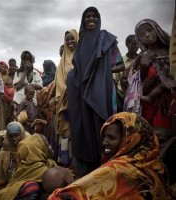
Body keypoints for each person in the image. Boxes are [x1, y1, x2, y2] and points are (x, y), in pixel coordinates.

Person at [49, 112, 171, 199]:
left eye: (111, 138)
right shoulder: (156, 164)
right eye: (104, 137)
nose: (104, 142)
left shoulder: (119, 169)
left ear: (130, 140)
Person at [67, 7, 125, 177]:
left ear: (99, 19)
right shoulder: (82, 41)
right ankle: (88, 171)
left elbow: (121, 64)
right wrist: (72, 77)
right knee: (83, 126)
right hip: (81, 91)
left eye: (94, 16)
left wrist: (104, 73)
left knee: (102, 124)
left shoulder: (106, 39)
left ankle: (105, 167)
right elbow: (77, 68)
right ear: (83, 20)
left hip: (102, 90)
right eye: (87, 16)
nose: (91, 19)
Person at [124, 19, 173, 130]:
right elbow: (134, 84)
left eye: (150, 30)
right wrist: (144, 66)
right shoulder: (141, 57)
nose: (147, 35)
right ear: (140, 39)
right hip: (151, 105)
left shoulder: (172, 50)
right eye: (142, 34)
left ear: (157, 29)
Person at [0, 133, 56, 200]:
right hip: (29, 193)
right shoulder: (45, 172)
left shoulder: (24, 167)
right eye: (47, 144)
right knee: (31, 188)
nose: (51, 146)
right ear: (39, 150)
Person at [55, 29, 78, 167]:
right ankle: (65, 162)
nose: (70, 41)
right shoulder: (62, 62)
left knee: (77, 130)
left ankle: (76, 162)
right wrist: (67, 91)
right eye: (67, 39)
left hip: (80, 101)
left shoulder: (82, 57)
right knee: (66, 131)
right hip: (66, 102)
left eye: (72, 38)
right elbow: (59, 81)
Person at [0, 122, 30, 190]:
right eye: (11, 136)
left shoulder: (28, 138)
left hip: (22, 157)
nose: (14, 138)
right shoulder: (2, 135)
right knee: (1, 154)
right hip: (9, 154)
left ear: (21, 134)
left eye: (16, 135)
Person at [13, 50, 43, 115]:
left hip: (32, 104)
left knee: (30, 122)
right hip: (19, 103)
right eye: (24, 60)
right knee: (18, 122)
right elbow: (18, 86)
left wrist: (26, 84)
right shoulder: (18, 73)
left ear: (32, 61)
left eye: (29, 60)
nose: (26, 62)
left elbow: (39, 87)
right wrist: (25, 71)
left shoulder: (36, 73)